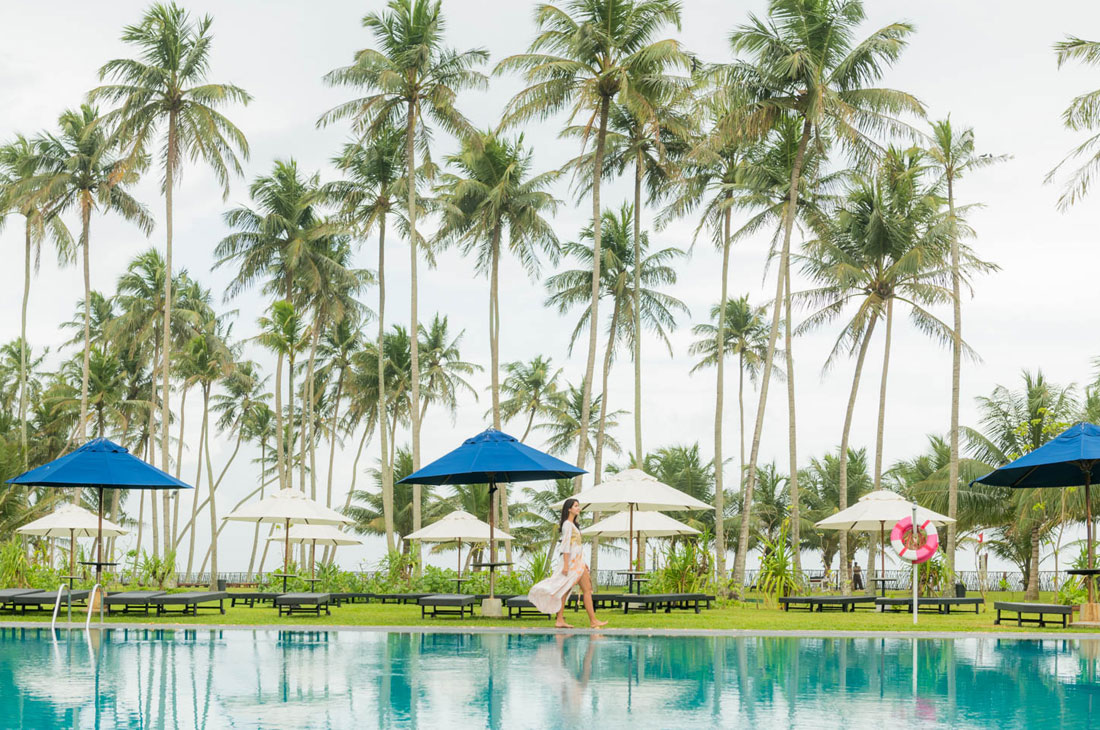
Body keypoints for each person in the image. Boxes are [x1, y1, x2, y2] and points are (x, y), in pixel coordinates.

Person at [527, 498, 608, 629]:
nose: (578, 508)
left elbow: (577, 547)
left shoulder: (573, 525)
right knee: (583, 590)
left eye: (578, 506)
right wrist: (565, 565)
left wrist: (583, 562)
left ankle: (561, 620)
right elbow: (565, 546)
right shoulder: (567, 525)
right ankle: (592, 621)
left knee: (573, 590)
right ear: (569, 509)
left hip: (578, 564)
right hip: (571, 565)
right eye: (576, 506)